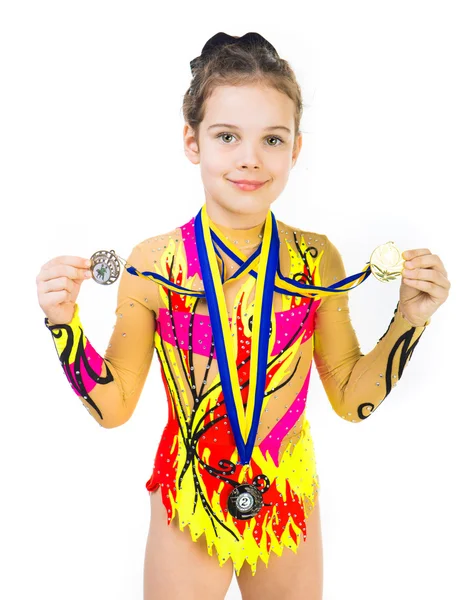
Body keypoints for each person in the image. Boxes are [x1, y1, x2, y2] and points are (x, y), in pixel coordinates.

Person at [35, 32, 450, 600]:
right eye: (227, 136)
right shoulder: (155, 263)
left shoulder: (314, 259)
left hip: (284, 495)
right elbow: (113, 409)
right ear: (192, 141)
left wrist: (410, 318)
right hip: (191, 496)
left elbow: (353, 400)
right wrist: (64, 324)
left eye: (272, 139)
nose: (251, 158)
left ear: (296, 149)